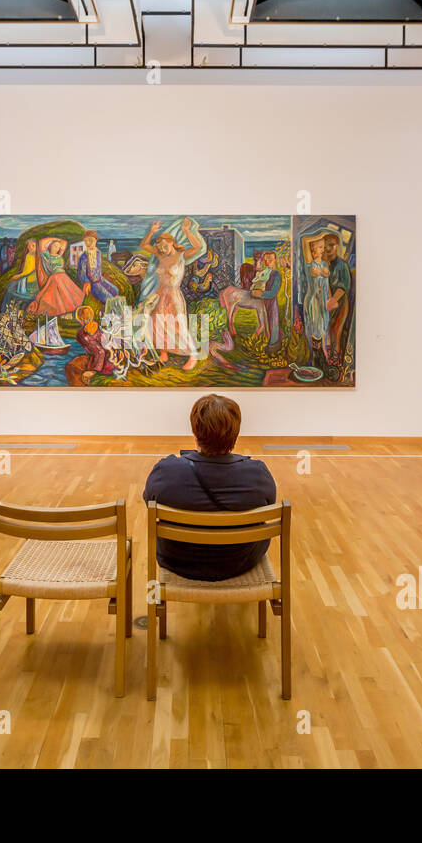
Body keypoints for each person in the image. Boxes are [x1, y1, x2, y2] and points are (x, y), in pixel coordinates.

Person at [142, 394, 277, 581]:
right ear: (235, 432)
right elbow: (268, 507)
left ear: (195, 429)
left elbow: (148, 501)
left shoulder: (166, 471)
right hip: (240, 561)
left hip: (178, 559)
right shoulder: (257, 474)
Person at [134, 218, 205, 370]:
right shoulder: (161, 255)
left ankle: (193, 355)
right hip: (160, 294)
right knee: (158, 324)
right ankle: (164, 352)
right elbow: (144, 245)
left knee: (179, 325)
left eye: (165, 246)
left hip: (173, 295)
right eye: (160, 247)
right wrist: (151, 232)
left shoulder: (181, 255)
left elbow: (198, 247)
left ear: (172, 242)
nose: (162, 249)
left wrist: (187, 231)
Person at [26, 237, 85, 317]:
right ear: (50, 246)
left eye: (58, 247)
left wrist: (59, 242)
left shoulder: (59, 257)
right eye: (55, 246)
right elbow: (41, 243)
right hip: (54, 276)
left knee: (66, 290)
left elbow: (64, 244)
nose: (56, 248)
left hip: (62, 275)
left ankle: (68, 308)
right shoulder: (47, 255)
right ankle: (60, 310)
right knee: (54, 289)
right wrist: (56, 239)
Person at [322, 233, 351, 367]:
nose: (328, 248)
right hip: (327, 302)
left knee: (335, 331)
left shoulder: (342, 265)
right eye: (325, 246)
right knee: (326, 331)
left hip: (339, 302)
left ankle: (335, 362)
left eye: (331, 245)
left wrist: (333, 299)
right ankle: (327, 359)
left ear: (337, 246)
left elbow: (343, 286)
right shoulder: (323, 264)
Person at [301, 237, 330, 362]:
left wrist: (330, 299)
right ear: (313, 249)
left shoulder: (324, 264)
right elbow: (304, 241)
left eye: (323, 246)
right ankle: (312, 356)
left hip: (323, 299)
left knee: (324, 326)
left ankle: (323, 355)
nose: (323, 249)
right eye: (320, 247)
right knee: (313, 327)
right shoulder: (310, 263)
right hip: (313, 300)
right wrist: (320, 234)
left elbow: (327, 284)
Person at [251, 250, 283, 348]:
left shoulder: (276, 274)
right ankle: (267, 340)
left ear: (275, 260)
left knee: (272, 320)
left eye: (270, 260)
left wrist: (261, 294)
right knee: (265, 320)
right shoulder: (266, 272)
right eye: (265, 260)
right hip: (264, 301)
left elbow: (273, 292)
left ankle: (273, 344)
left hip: (271, 301)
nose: (267, 262)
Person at [75, 230, 119, 302]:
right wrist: (86, 282)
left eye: (90, 240)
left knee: (115, 291)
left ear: (95, 240)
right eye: (86, 241)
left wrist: (100, 276)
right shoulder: (84, 256)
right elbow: (81, 272)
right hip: (92, 283)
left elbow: (98, 267)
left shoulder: (98, 253)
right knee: (108, 297)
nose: (88, 243)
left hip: (100, 279)